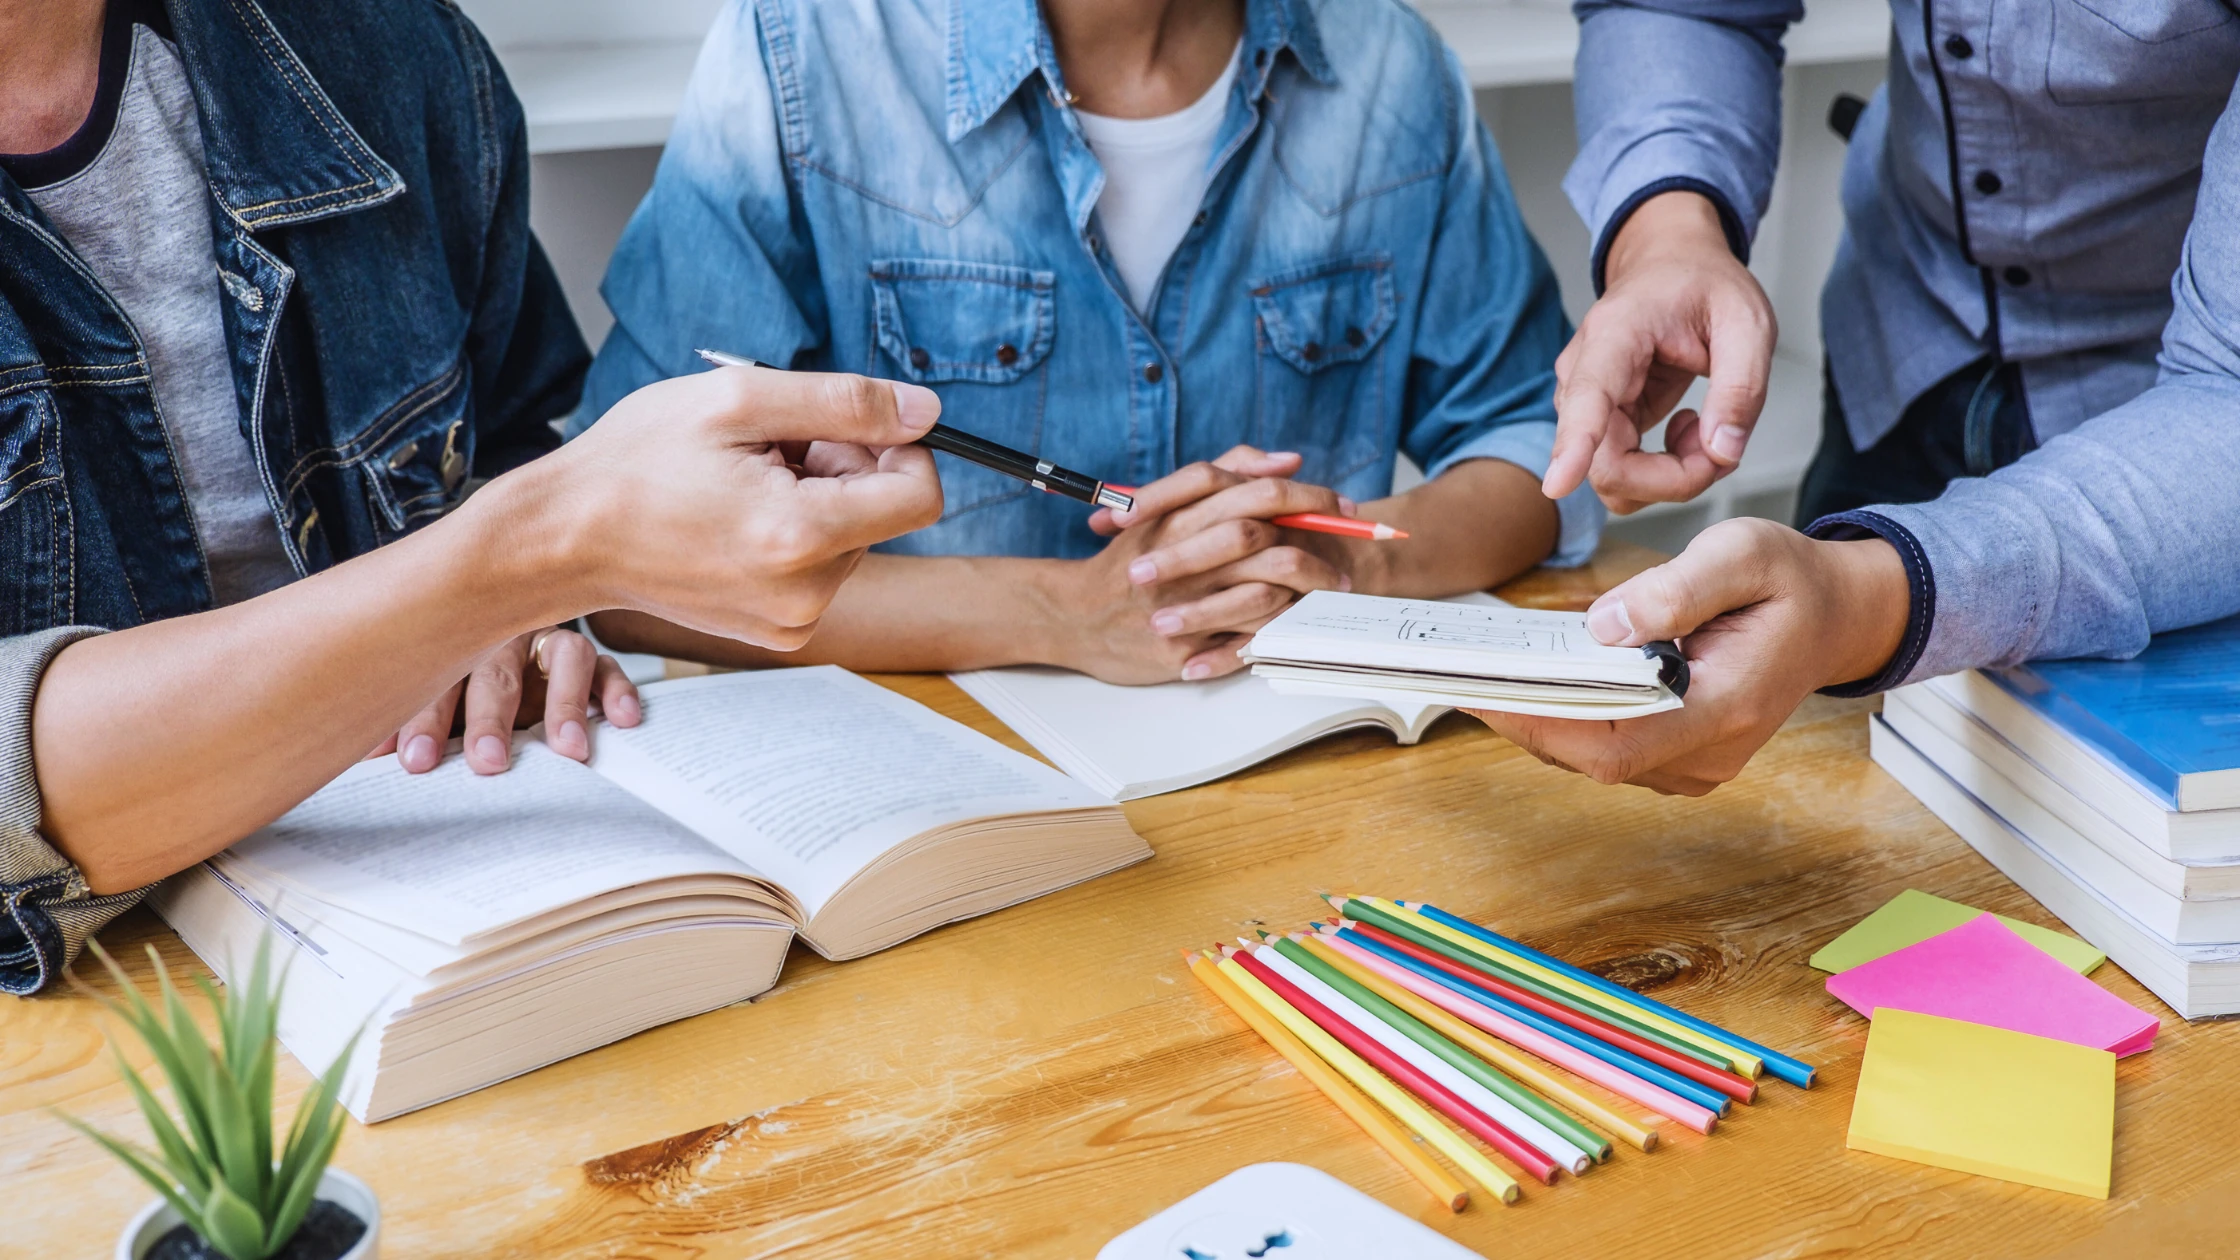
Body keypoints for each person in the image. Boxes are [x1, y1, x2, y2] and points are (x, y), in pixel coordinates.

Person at [0, 0, 946, 995]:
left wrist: (525, 623)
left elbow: (502, 440)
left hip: (446, 929)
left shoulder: (394, 54)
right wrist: (515, 563)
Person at [574, 0, 1602, 685]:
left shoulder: (1389, 63)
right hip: (941, 792)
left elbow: (1531, 446)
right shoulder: (801, 46)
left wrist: (1330, 567)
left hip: (1294, 764)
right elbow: (629, 564)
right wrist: (1058, 613)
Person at [1461, 1, 2240, 793]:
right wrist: (1666, 237)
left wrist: (1865, 602)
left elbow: (2231, 386)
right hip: (1896, 351)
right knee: (1825, 790)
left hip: (2184, 480)